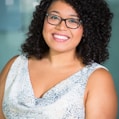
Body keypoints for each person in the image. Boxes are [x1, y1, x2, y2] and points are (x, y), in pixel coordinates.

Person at [0, 0, 118, 118]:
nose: (61, 27)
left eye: (73, 20)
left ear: (87, 29)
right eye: (54, 17)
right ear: (43, 20)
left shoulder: (97, 78)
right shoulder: (15, 65)